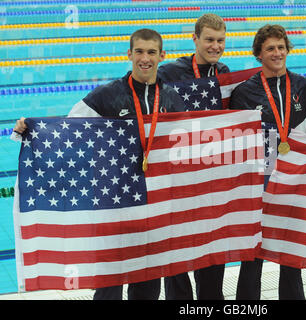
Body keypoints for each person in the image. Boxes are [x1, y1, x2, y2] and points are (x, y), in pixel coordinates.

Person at [13, 28, 185, 300]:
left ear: (162, 55)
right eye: (139, 51)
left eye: (151, 52)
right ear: (129, 54)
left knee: (148, 284)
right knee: (109, 285)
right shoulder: (106, 95)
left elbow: (185, 148)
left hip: (153, 204)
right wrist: (31, 130)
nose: (145, 58)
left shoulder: (172, 99)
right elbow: (67, 130)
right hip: (112, 202)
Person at [229, 24, 306, 300]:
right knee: (253, 250)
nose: (277, 53)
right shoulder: (245, 92)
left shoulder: (303, 86)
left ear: (288, 49)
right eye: (270, 48)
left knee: (292, 249)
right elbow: (237, 143)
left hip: (295, 177)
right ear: (258, 54)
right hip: (261, 178)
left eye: (281, 47)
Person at [157, 13, 229, 300]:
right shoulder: (169, 73)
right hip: (177, 175)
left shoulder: (224, 71)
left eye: (220, 40)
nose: (215, 46)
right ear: (195, 39)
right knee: (176, 252)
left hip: (211, 175)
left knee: (211, 250)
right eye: (209, 40)